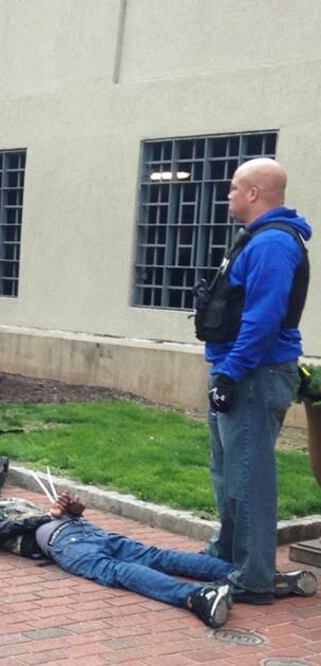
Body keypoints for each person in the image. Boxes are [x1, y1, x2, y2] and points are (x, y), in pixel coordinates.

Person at [0, 483, 317, 628]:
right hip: (78, 535)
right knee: (155, 556)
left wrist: (71, 508)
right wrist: (52, 514)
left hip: (71, 542)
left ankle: (199, 597)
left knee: (124, 570)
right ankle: (259, 578)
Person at [199, 158, 312, 605]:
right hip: (240, 369)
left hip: (254, 373)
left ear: (252, 194)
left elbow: (263, 319)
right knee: (228, 472)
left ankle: (253, 576)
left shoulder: (272, 245)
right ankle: (227, 556)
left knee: (249, 478)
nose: (227, 197)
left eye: (232, 189)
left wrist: (230, 372)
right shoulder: (257, 240)